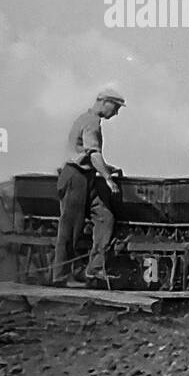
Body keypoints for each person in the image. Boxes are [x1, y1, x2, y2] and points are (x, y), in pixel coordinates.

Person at [51, 88, 125, 287]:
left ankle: (94, 270)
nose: (116, 113)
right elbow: (92, 154)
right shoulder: (91, 122)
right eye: (116, 107)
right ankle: (60, 276)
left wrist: (106, 168)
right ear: (105, 103)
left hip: (85, 177)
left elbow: (87, 154)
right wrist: (108, 178)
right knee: (70, 229)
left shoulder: (85, 119)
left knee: (105, 217)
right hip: (76, 178)